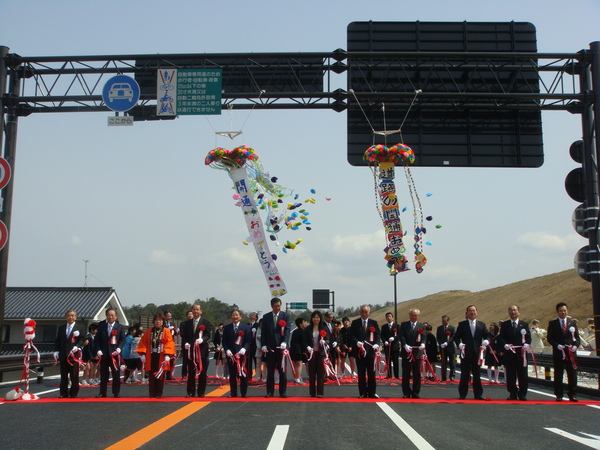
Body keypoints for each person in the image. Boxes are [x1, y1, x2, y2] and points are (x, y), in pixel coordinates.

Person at [453, 305, 489, 400]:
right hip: (466, 352)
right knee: (464, 374)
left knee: (477, 374)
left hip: (477, 353)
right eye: (470, 311)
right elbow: (456, 337)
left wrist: (487, 340)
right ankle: (462, 394)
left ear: (477, 313)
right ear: (467, 313)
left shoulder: (481, 325)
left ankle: (478, 394)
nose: (472, 312)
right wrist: (459, 344)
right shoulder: (462, 324)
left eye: (474, 311)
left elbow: (487, 335)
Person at [136, 312, 176, 398]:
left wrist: (167, 354)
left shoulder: (166, 331)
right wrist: (143, 353)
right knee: (151, 374)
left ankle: (158, 393)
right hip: (151, 355)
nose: (158, 322)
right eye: (157, 320)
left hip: (161, 356)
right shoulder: (149, 331)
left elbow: (170, 343)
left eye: (160, 320)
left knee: (161, 374)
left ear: (163, 322)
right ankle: (152, 393)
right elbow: (143, 342)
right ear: (154, 321)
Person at [547, 302, 580, 402]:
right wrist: (557, 345)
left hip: (570, 353)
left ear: (567, 311)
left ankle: (572, 394)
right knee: (558, 373)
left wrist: (575, 346)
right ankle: (559, 394)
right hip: (559, 352)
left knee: (572, 374)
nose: (563, 312)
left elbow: (577, 338)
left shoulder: (572, 323)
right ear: (557, 312)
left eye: (565, 310)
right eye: (561, 311)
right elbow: (550, 338)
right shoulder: (553, 323)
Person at [499, 305, 531, 401]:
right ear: (508, 313)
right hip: (510, 353)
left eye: (515, 310)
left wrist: (526, 344)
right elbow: (501, 337)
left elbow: (528, 337)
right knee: (510, 374)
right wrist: (505, 345)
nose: (513, 312)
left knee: (523, 375)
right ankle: (512, 393)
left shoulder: (524, 325)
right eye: (511, 310)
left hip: (521, 353)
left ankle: (522, 394)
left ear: (518, 312)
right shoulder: (505, 325)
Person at [261, 297, 291, 398]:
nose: (277, 308)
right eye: (275, 306)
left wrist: (285, 342)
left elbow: (287, 330)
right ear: (272, 306)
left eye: (279, 306)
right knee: (270, 371)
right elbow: (263, 332)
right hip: (270, 347)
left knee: (282, 370)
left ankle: (282, 392)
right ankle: (270, 392)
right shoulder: (266, 317)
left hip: (281, 347)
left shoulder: (285, 316)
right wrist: (263, 344)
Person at [180, 303, 212, 398]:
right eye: (194, 309)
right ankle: (190, 392)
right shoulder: (186, 323)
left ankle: (201, 392)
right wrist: (185, 343)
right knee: (191, 373)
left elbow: (207, 335)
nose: (195, 311)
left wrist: (202, 340)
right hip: (190, 352)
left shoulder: (206, 323)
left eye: (197, 309)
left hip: (202, 351)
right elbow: (184, 336)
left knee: (202, 372)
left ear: (201, 311)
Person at [94, 308, 127, 398]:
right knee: (103, 374)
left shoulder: (120, 327)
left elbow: (123, 339)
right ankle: (102, 393)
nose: (110, 317)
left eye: (112, 315)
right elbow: (97, 340)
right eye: (109, 315)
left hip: (115, 354)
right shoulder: (101, 327)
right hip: (104, 354)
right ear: (106, 316)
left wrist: (119, 348)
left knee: (116, 374)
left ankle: (116, 393)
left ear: (116, 317)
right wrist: (98, 350)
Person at [350, 305, 381, 399]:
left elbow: (378, 335)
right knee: (361, 373)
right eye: (362, 312)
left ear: (369, 313)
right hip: (360, 352)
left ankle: (372, 392)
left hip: (371, 352)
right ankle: (362, 393)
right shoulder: (355, 323)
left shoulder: (374, 323)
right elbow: (352, 335)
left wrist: (376, 344)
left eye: (366, 312)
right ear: (360, 312)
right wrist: (357, 342)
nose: (364, 313)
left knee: (371, 373)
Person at [54, 310, 86, 398]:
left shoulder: (80, 327)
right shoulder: (61, 328)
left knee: (74, 375)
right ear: (65, 317)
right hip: (63, 354)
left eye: (72, 316)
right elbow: (58, 340)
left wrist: (77, 346)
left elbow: (82, 339)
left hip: (74, 355)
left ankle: (73, 393)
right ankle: (63, 393)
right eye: (68, 315)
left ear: (75, 317)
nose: (70, 317)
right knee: (64, 375)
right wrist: (56, 351)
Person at [222, 309, 252, 397]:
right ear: (231, 317)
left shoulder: (245, 327)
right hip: (231, 355)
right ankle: (233, 392)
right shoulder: (227, 328)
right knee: (232, 374)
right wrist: (227, 349)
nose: (235, 317)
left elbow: (248, 340)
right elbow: (224, 341)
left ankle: (243, 393)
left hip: (242, 355)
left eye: (237, 315)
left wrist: (244, 349)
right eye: (233, 315)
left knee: (243, 374)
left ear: (240, 317)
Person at [303, 310, 331, 398]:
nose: (316, 319)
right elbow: (304, 341)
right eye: (314, 317)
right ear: (312, 318)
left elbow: (328, 339)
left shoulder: (324, 328)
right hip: (311, 353)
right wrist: (307, 347)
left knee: (320, 373)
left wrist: (324, 342)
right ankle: (312, 392)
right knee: (312, 373)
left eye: (317, 317)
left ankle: (320, 392)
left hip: (321, 353)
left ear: (320, 318)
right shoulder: (308, 328)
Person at [399, 308, 426, 398]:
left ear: (418, 316)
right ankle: (406, 392)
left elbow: (424, 337)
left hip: (417, 352)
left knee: (417, 373)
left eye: (415, 315)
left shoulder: (421, 326)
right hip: (407, 352)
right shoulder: (404, 325)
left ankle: (415, 392)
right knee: (406, 373)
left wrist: (423, 343)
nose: (414, 317)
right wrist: (405, 345)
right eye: (412, 315)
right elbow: (401, 336)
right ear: (409, 315)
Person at [381, 312, 400, 379]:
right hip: (387, 347)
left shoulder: (397, 326)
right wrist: (385, 341)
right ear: (386, 318)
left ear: (392, 318)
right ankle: (389, 375)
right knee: (388, 361)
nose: (389, 318)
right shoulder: (384, 327)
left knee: (395, 361)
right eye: (387, 317)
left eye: (390, 316)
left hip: (395, 346)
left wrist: (394, 338)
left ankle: (396, 375)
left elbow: (399, 335)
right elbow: (382, 335)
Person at [436, 315, 456, 382]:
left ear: (447, 321)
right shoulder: (439, 328)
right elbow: (438, 337)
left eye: (444, 321)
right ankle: (443, 376)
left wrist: (447, 343)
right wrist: (441, 343)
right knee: (443, 363)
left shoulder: (452, 328)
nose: (443, 322)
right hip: (443, 348)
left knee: (452, 363)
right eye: (442, 321)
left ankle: (452, 376)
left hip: (450, 347)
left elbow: (453, 337)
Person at [290, 317, 308, 385]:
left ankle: (296, 378)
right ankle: (297, 379)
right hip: (298, 350)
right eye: (304, 322)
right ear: (300, 324)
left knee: (295, 365)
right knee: (299, 364)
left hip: (293, 349)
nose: (306, 323)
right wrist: (305, 351)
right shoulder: (302, 332)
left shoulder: (295, 331)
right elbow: (303, 342)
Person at [163, 311, 178, 380]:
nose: (168, 317)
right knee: (164, 359)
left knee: (171, 359)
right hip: (164, 342)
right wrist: (167, 329)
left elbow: (175, 333)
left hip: (171, 342)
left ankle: (169, 374)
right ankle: (162, 374)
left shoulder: (172, 323)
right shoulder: (162, 323)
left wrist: (176, 331)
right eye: (167, 316)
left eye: (170, 316)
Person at [246, 312, 260, 380]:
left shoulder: (258, 325)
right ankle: (249, 376)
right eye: (251, 314)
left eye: (253, 315)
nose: (251, 315)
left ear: (256, 318)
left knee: (256, 362)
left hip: (255, 346)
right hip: (248, 346)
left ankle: (258, 376)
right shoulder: (247, 325)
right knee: (248, 362)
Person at [181, 310, 193, 380]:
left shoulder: (195, 323)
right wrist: (186, 342)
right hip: (186, 343)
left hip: (193, 343)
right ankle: (184, 374)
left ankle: (192, 373)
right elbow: (182, 333)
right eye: (188, 314)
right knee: (185, 359)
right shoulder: (183, 323)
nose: (190, 315)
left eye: (191, 314)